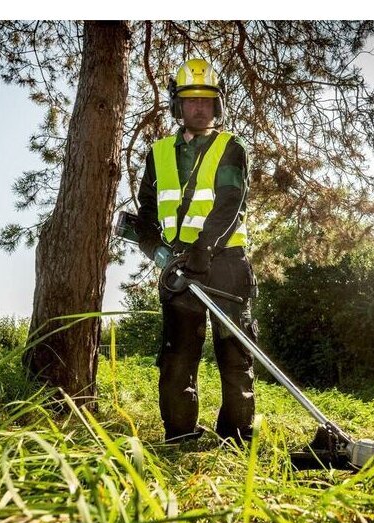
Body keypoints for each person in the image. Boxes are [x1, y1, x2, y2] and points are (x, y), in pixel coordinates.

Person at [135, 58, 257, 445]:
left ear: (216, 105)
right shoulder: (158, 153)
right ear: (178, 105)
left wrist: (205, 247)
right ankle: (180, 433)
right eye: (191, 100)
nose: (199, 107)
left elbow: (230, 200)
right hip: (178, 267)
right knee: (177, 354)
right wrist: (154, 247)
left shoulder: (230, 147)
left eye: (207, 100)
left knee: (234, 350)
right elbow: (147, 211)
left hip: (224, 263)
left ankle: (236, 435)